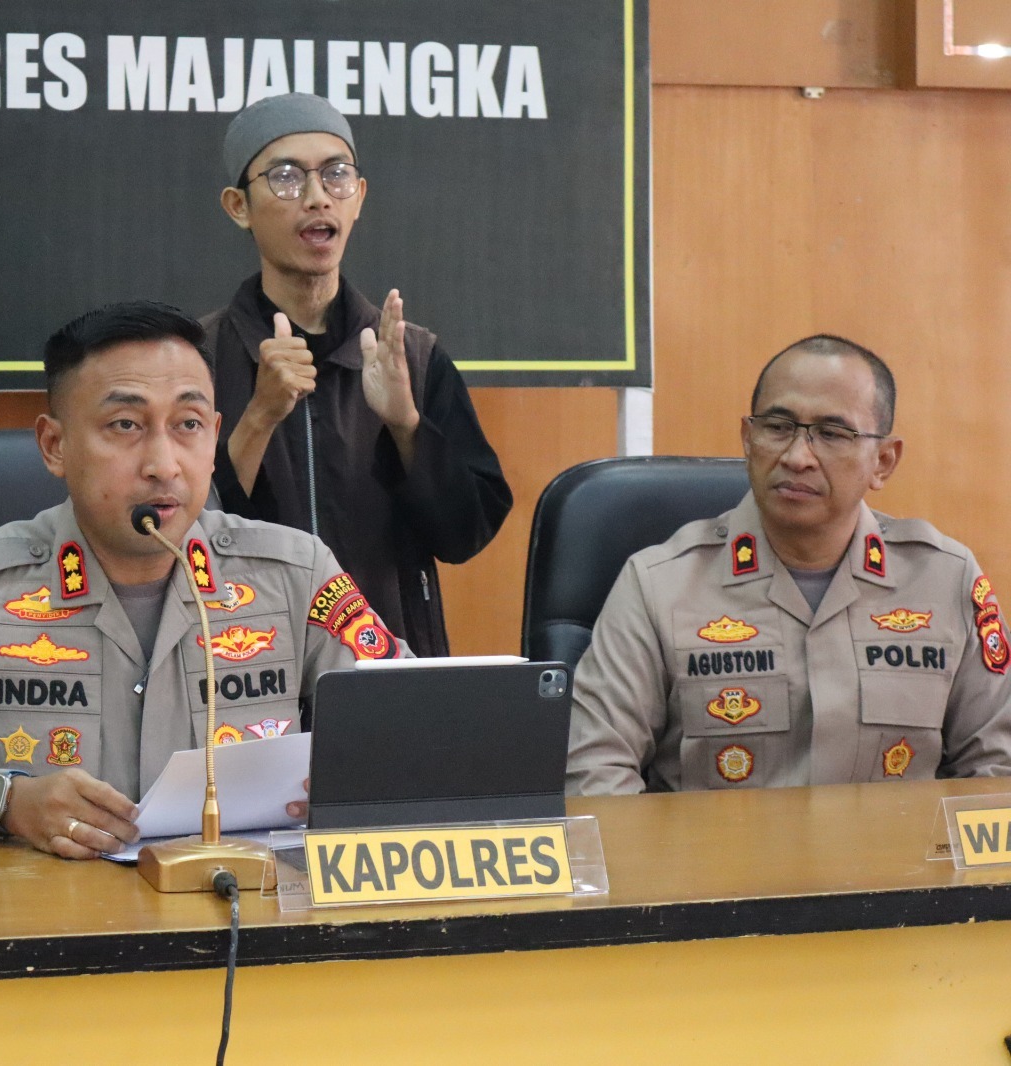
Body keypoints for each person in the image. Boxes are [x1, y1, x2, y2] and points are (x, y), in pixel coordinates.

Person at [0, 301, 406, 858]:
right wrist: (5, 802)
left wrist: (360, 779)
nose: (163, 465)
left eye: (189, 424)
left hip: (245, 915)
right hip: (46, 922)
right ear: (55, 445)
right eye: (125, 425)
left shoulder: (294, 575)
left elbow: (415, 720)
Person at [567, 335, 1011, 794]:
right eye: (778, 427)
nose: (797, 457)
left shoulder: (945, 580)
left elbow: (998, 770)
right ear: (748, 438)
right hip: (716, 846)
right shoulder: (659, 585)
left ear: (883, 461)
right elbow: (594, 771)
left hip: (897, 845)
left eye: (832, 434)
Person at [204, 92, 512, 657]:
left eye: (336, 175)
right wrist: (260, 417)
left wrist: (407, 425)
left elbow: (465, 535)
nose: (317, 197)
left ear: (359, 197)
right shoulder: (197, 360)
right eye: (287, 177)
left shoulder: (413, 357)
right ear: (238, 206)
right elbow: (175, 535)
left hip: (388, 668)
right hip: (241, 664)